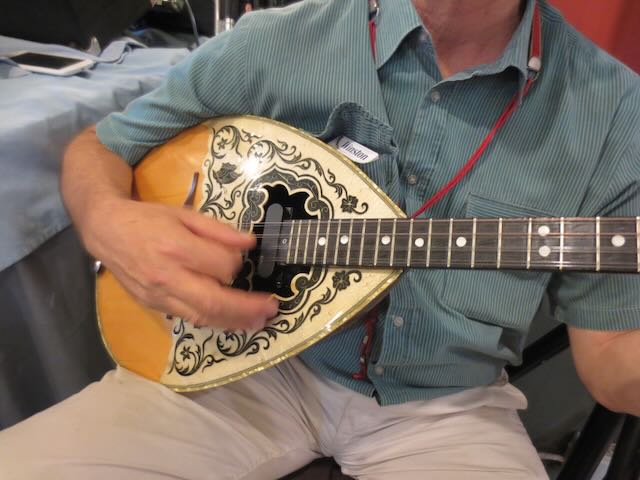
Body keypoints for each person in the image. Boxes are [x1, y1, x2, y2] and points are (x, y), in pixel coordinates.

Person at [1, 0, 639, 478]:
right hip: (235, 375)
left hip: (447, 407)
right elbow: (104, 146)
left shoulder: (614, 111)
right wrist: (110, 222)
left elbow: (611, 358)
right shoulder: (280, 39)